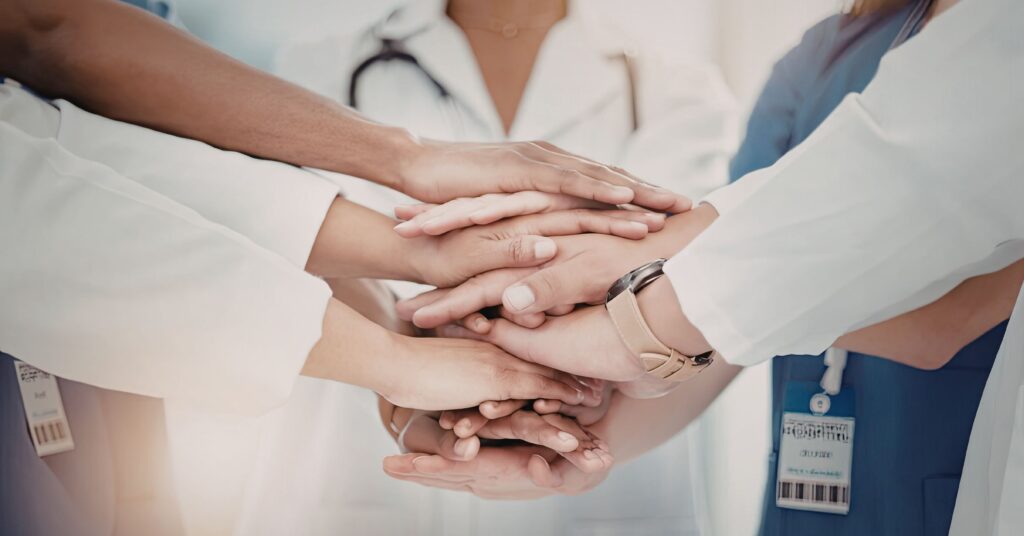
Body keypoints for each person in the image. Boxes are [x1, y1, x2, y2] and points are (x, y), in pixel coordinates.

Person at [0, 0, 678, 532]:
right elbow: (44, 178)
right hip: (327, 451)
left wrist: (408, 314)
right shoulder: (324, 59)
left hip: (580, 463)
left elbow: (115, 162)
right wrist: (397, 353)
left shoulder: (671, 82)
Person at [391, 0, 1024, 532]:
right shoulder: (818, 61)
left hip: (944, 466)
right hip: (805, 496)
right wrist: (586, 437)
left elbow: (953, 315)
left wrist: (610, 316)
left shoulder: (1002, 40)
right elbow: (720, 308)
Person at [263, 0, 736, 532]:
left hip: (603, 450)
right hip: (358, 461)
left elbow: (697, 269)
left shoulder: (678, 89)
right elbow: (288, 233)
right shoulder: (315, 68)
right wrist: (405, 361)